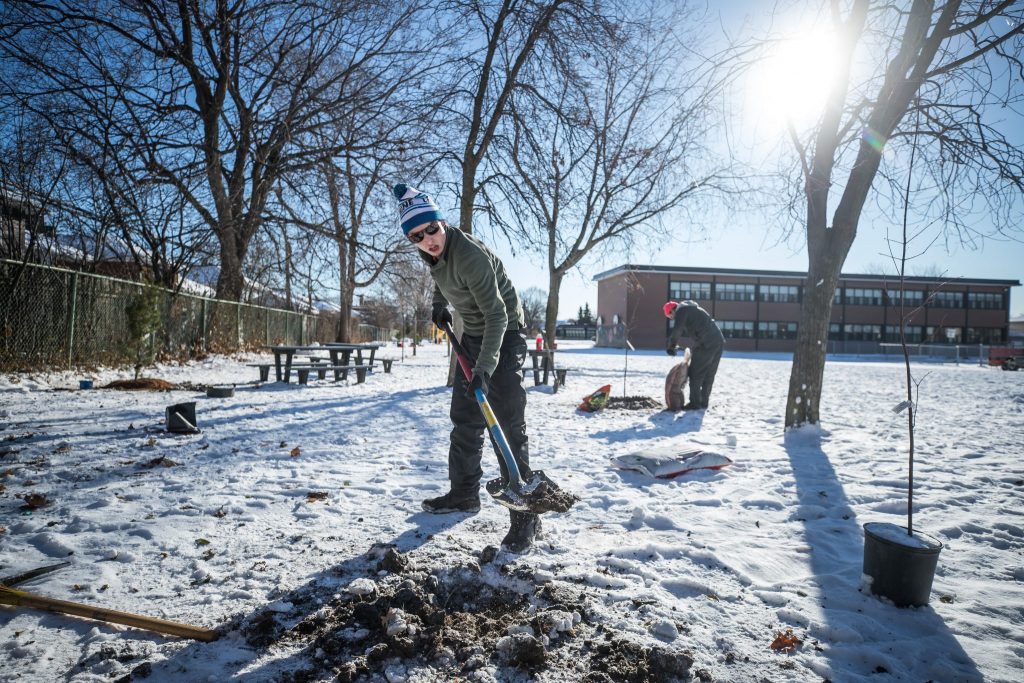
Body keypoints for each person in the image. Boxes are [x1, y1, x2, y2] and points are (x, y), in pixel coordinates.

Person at [394, 183, 540, 553]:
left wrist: (486, 368)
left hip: (503, 336)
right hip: (474, 335)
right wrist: (439, 303)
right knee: (465, 418)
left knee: (504, 424)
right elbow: (441, 274)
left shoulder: (470, 255)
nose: (427, 239)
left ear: (440, 222)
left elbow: (498, 314)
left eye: (431, 229)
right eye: (417, 235)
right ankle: (463, 494)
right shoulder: (432, 253)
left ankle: (526, 516)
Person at [664, 300, 725, 410]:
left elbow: (678, 329)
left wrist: (671, 346)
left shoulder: (681, 311)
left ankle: (695, 403)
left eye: (670, 316)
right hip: (718, 341)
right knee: (709, 374)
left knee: (695, 373)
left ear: (672, 310)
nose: (672, 318)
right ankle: (704, 402)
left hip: (706, 343)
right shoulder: (693, 309)